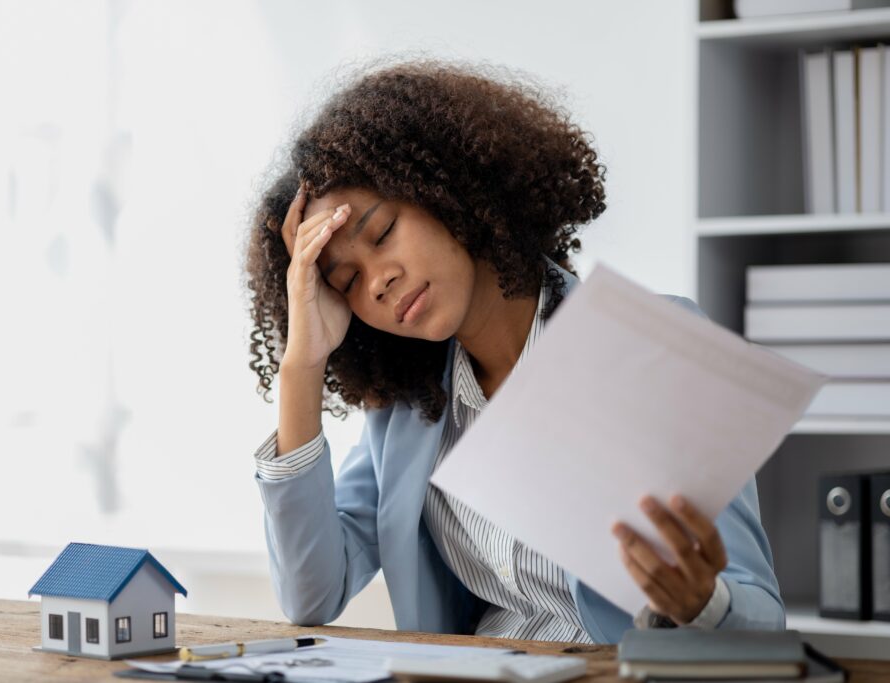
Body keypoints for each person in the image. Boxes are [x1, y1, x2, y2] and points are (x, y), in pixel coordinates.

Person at [242, 58, 783, 643]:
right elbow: (311, 593)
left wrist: (704, 604)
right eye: (347, 282)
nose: (377, 281)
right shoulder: (406, 410)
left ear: (447, 192)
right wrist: (303, 365)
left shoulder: (651, 348)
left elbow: (761, 617)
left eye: (382, 234)